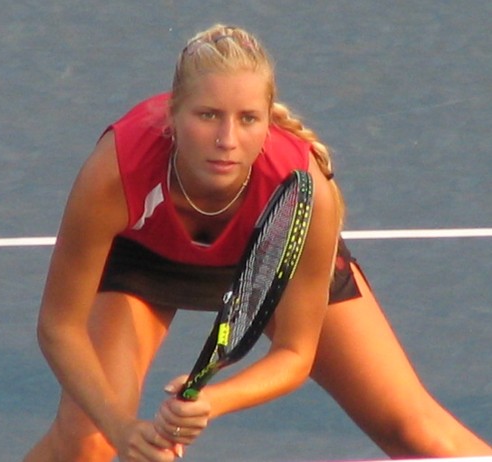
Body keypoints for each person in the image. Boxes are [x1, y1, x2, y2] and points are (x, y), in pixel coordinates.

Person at [24, 24, 491, 462]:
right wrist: (120, 427)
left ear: (268, 122)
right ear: (173, 113)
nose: (227, 139)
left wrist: (212, 400)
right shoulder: (117, 172)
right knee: (85, 444)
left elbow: (294, 353)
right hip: (146, 259)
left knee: (417, 432)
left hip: (272, 256)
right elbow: (58, 326)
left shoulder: (304, 189)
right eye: (208, 116)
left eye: (247, 119)